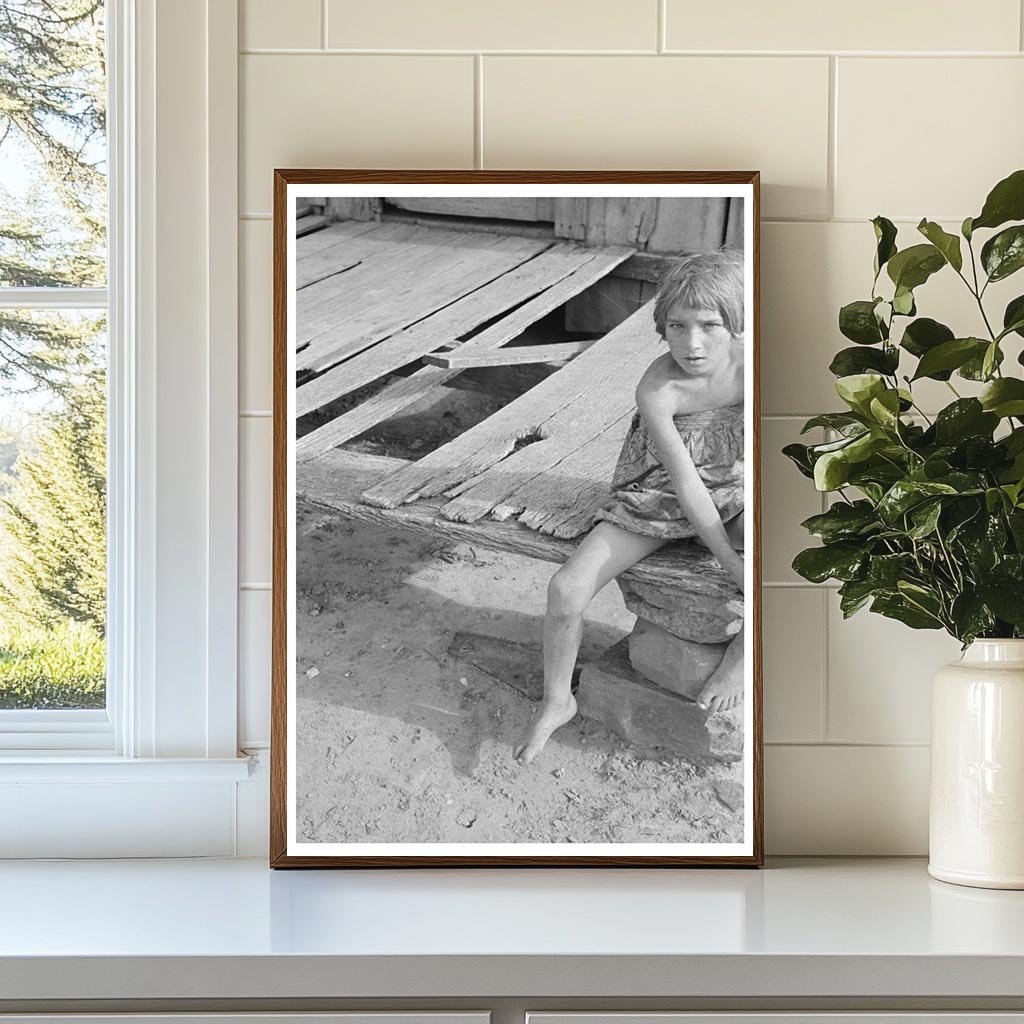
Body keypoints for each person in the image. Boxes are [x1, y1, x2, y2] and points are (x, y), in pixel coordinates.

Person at [513, 248, 747, 766]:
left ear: (736, 322)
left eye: (709, 324)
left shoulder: (755, 368)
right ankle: (557, 699)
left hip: (737, 486)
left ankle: (743, 652)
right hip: (659, 494)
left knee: (786, 544)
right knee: (566, 587)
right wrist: (729, 562)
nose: (693, 343)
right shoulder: (658, 387)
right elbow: (685, 485)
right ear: (661, 328)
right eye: (677, 325)